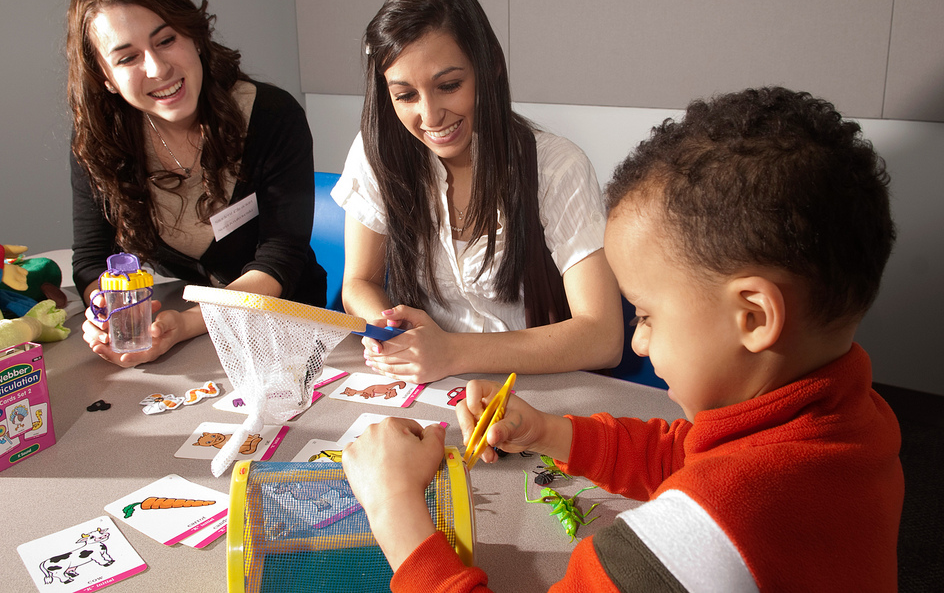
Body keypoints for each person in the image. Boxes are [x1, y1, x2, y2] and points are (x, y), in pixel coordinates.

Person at [341, 87, 905, 591]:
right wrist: (549, 431)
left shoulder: (705, 536)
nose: (638, 343)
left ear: (754, 317)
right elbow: (689, 454)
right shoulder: (851, 420)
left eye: (647, 315)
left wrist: (394, 510)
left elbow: (705, 495)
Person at [333, 0, 624, 383]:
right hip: (430, 383)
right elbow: (359, 282)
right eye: (405, 96)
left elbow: (603, 337)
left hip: (535, 391)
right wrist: (389, 329)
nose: (430, 117)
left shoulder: (556, 167)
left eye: (448, 85)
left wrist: (449, 352)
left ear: (490, 68)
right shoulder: (378, 152)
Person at [68, 0, 326, 367]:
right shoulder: (100, 141)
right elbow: (90, 258)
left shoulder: (272, 115)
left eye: (166, 40)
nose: (157, 68)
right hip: (185, 346)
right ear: (104, 77)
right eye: (127, 58)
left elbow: (282, 257)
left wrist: (188, 323)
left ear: (194, 35)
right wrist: (110, 310)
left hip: (284, 330)